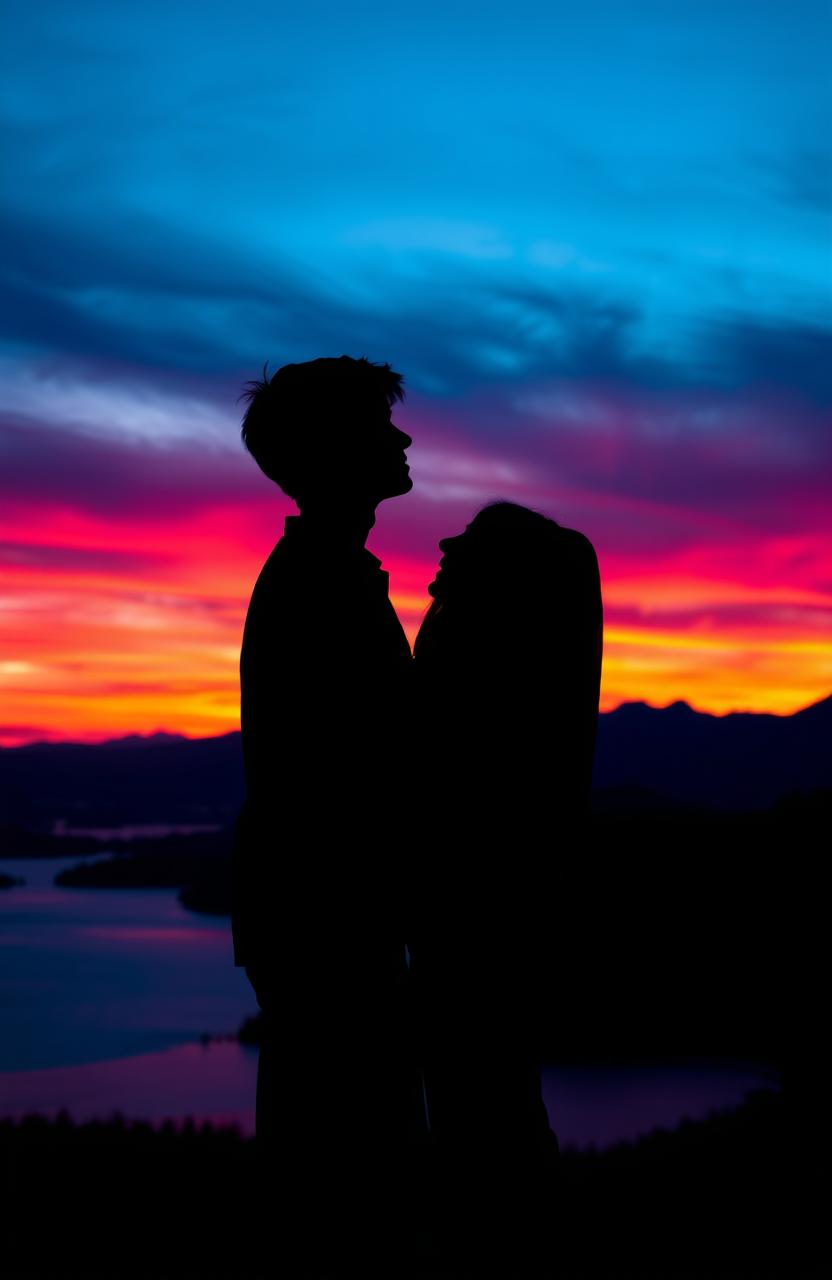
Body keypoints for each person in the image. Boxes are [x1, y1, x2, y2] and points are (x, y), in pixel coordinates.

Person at [231, 355, 424, 1272]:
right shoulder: (320, 588)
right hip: (329, 930)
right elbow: (348, 779)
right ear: (337, 451)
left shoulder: (329, 575)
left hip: (320, 925)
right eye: (380, 426)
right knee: (345, 1187)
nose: (403, 436)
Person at [409, 500, 603, 1273]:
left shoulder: (482, 681)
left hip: (468, 932)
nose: (444, 544)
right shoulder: (515, 691)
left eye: (470, 540)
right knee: (496, 1111)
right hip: (481, 928)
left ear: (502, 586)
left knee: (485, 1117)